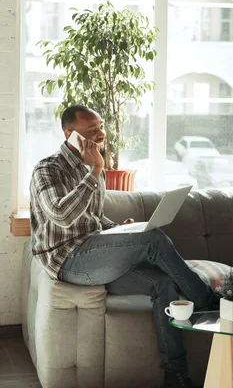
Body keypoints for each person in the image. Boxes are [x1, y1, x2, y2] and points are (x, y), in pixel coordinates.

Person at [30, 104, 219, 388]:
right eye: (91, 131)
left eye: (100, 127)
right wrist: (95, 170)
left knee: (162, 283)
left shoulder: (91, 168)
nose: (101, 134)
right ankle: (206, 301)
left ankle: (176, 374)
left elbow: (91, 218)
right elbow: (62, 216)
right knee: (152, 240)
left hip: (93, 253)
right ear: (69, 134)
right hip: (68, 260)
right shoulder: (48, 169)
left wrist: (118, 229)